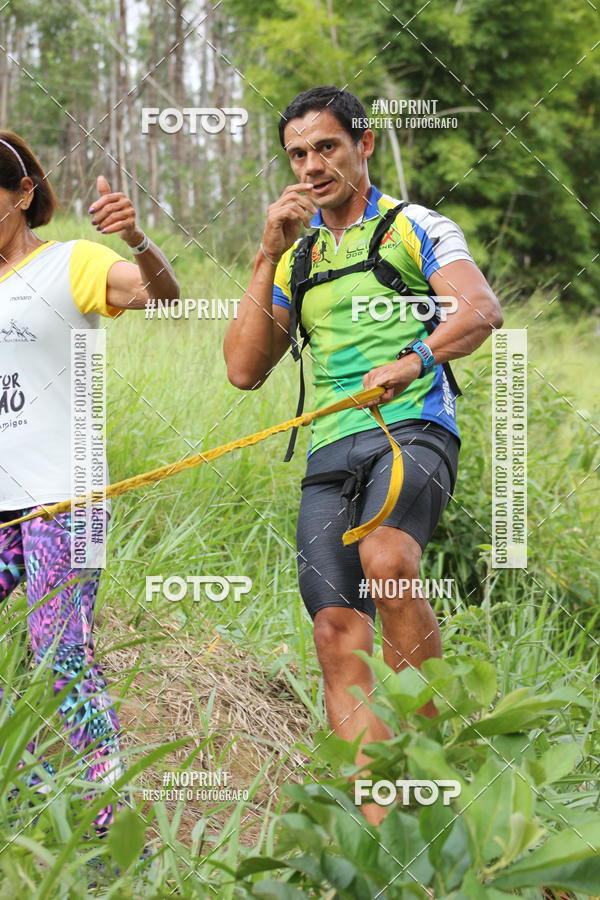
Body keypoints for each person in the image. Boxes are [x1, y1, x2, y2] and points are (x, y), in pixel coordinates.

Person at [224, 87, 503, 824]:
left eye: (327, 147)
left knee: (388, 559)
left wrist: (414, 360)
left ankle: (432, 767)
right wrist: (266, 254)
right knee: (334, 629)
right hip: (329, 448)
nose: (312, 166)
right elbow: (244, 369)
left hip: (411, 426)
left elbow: (480, 310)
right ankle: (382, 826)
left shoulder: (415, 226)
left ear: (364, 144)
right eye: (297, 155)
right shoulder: (298, 256)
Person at [0, 130, 179, 835]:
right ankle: (29, 792)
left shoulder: (71, 263)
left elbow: (161, 297)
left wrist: (137, 239)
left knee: (61, 654)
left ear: (22, 194)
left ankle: (111, 824)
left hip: (62, 498)